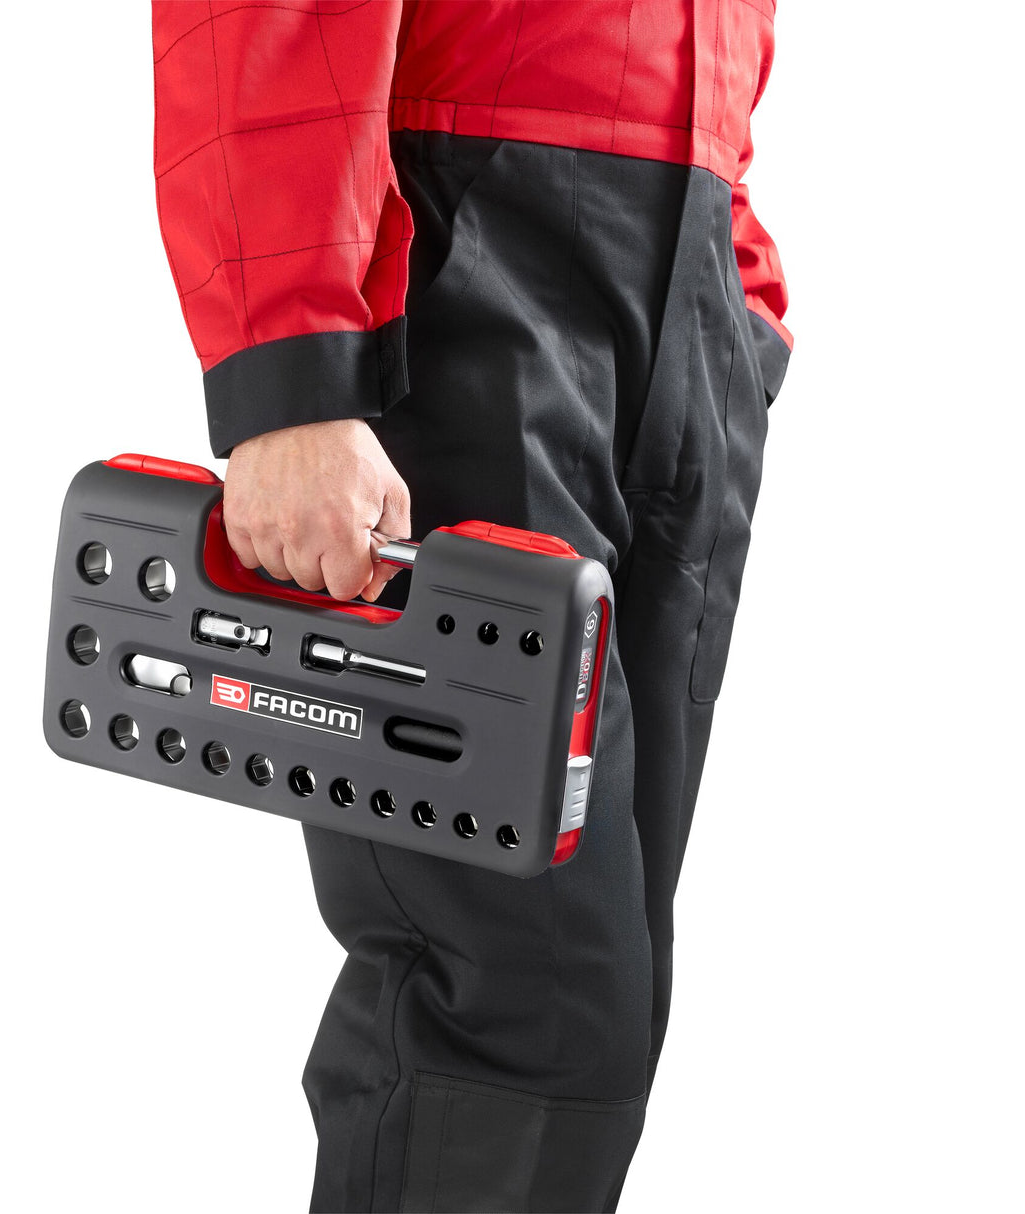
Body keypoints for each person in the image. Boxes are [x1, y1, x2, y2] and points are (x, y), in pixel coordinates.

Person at [151, 3, 790, 1210]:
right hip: (466, 260)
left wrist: (734, 287)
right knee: (520, 999)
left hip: (688, 300)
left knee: (607, 1007)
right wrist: (290, 371)